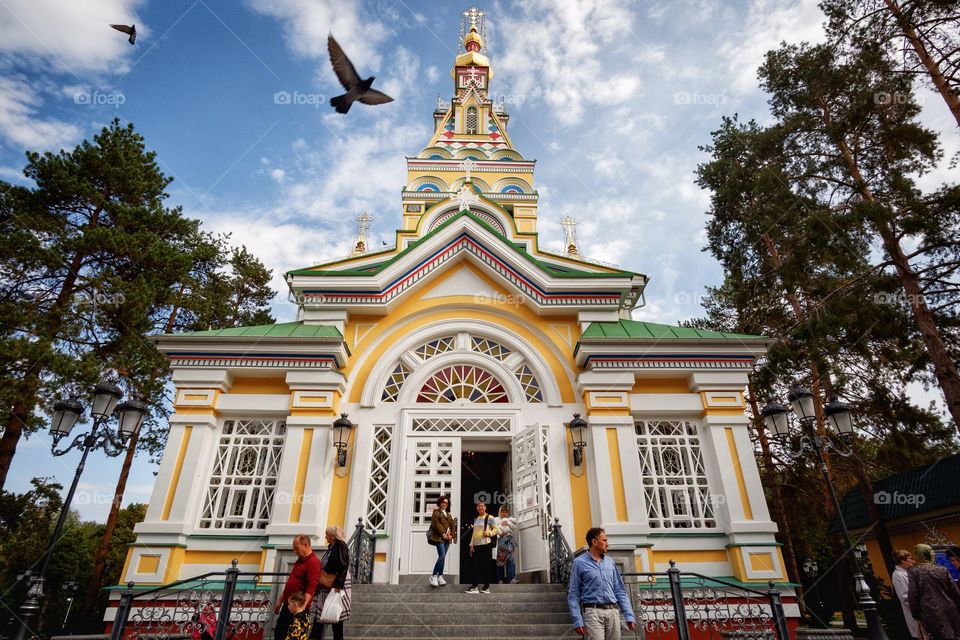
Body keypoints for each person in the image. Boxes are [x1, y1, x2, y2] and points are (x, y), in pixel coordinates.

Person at [567, 527, 637, 639]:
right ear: (594, 542)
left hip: (613, 612)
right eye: (604, 540)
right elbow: (573, 594)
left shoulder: (610, 562)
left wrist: (629, 615)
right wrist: (578, 620)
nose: (607, 544)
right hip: (592, 613)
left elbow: (620, 591)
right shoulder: (579, 563)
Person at [274, 534, 321, 640]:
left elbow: (311, 586)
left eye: (296, 548)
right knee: (280, 632)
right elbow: (291, 582)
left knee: (292, 635)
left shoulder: (313, 562)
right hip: (289, 604)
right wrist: (280, 600)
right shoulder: (299, 560)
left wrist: (302, 607)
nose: (294, 551)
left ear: (305, 545)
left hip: (298, 607)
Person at [908, 543, 960, 640]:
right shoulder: (942, 569)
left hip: (930, 612)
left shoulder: (914, 572)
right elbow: (955, 592)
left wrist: (916, 615)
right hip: (950, 609)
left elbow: (913, 594)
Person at [312, 525, 352, 640]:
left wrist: (338, 586)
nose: (325, 537)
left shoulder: (341, 546)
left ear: (333, 537)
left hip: (335, 585)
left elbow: (343, 566)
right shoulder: (332, 546)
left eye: (327, 535)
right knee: (325, 616)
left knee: (335, 616)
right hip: (328, 584)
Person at [464, 501, 498, 594]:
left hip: (486, 545)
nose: (480, 507)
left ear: (485, 507)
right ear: (476, 508)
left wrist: (490, 533)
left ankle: (486, 587)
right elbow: (474, 533)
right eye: (478, 506)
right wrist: (471, 545)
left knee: (486, 566)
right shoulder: (476, 519)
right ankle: (474, 587)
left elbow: (496, 529)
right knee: (475, 566)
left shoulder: (489, 517)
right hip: (476, 545)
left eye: (482, 506)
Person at [427, 494, 457, 587]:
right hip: (439, 538)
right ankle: (433, 576)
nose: (444, 504)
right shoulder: (436, 512)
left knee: (442, 557)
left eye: (446, 503)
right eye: (443, 502)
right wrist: (443, 534)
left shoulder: (448, 514)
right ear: (440, 503)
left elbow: (453, 526)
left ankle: (440, 576)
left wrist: (451, 535)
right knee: (442, 555)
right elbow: (436, 524)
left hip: (447, 539)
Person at [891, 549, 919, 639]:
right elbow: (904, 597)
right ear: (903, 560)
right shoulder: (898, 575)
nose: (913, 561)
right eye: (910, 558)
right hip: (915, 611)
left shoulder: (908, 571)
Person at [495, 505, 518, 584]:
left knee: (510, 560)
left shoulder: (510, 520)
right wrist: (501, 532)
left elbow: (514, 527)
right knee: (500, 561)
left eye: (506, 512)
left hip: (509, 542)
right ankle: (500, 579)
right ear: (500, 512)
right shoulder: (496, 520)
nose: (504, 514)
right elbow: (495, 529)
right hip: (500, 542)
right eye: (503, 512)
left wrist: (507, 522)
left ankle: (511, 578)